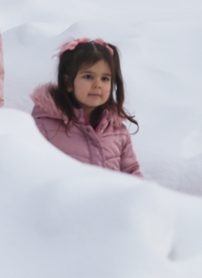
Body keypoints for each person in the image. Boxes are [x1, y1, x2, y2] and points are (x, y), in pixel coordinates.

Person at [30, 38, 142, 176]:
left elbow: (131, 173)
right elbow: (33, 173)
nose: (97, 84)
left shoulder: (117, 131)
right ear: (68, 83)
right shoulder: (45, 127)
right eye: (88, 77)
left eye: (105, 79)